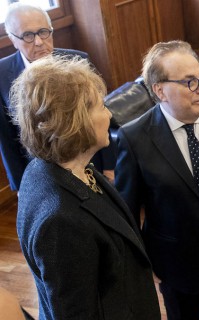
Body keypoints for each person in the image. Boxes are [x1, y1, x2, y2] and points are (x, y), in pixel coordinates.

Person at [114, 40, 199, 320]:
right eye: (189, 82)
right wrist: (143, 265)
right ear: (160, 90)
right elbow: (127, 213)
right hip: (175, 262)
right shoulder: (135, 138)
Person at [12, 55, 161, 319]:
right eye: (101, 107)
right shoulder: (60, 221)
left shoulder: (58, 167)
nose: (110, 114)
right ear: (74, 121)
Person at [0, 3, 116, 191]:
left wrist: (110, 164)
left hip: (89, 164)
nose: (38, 42)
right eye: (28, 35)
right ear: (13, 40)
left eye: (43, 32)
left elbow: (101, 112)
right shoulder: (2, 74)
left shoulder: (79, 61)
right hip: (42, 176)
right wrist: (21, 186)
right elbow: (6, 138)